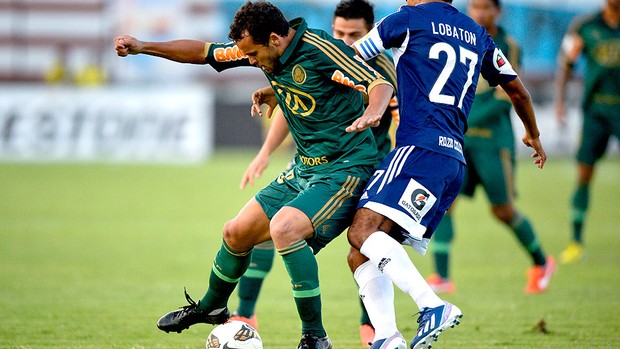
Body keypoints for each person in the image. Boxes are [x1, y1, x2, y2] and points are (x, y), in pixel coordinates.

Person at [114, 1, 394, 348]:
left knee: (284, 228)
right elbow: (204, 52)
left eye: (253, 54)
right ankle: (211, 307)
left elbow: (378, 82)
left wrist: (374, 111)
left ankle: (315, 337)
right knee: (235, 232)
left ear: (275, 39)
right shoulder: (263, 47)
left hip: (347, 167)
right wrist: (143, 46)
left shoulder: (321, 48)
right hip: (304, 168)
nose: (249, 60)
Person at [345, 0, 547, 348]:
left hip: (417, 150)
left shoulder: (406, 19)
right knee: (363, 252)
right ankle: (387, 338)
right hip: (452, 159)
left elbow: (350, 57)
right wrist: (533, 134)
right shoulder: (477, 34)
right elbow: (518, 90)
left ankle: (432, 305)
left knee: (361, 231)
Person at [229, 0, 399, 346]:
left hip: (370, 167)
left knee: (364, 247)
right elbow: (292, 105)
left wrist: (395, 172)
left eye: (355, 34)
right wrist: (264, 155)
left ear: (371, 32)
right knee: (265, 229)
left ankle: (374, 330)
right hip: (317, 165)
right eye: (340, 32)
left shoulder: (381, 69)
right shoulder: (324, 54)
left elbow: (400, 120)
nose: (346, 40)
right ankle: (245, 315)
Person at [425, 0, 556, 296]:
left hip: (492, 143)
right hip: (460, 140)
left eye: (486, 7)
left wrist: (457, 121)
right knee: (445, 205)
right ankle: (442, 276)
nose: (480, 13)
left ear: (498, 11)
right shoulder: (457, 36)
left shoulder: (508, 45)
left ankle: (541, 262)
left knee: (503, 211)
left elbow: (504, 96)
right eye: (474, 7)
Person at [555, 0, 620, 265]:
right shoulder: (584, 26)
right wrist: (560, 103)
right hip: (596, 111)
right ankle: (576, 243)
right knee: (584, 173)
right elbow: (566, 63)